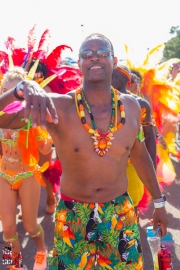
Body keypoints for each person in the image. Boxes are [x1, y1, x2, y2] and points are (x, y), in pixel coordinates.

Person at [0, 34, 168, 269]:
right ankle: (19, 260)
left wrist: (159, 203)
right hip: (72, 213)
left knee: (31, 228)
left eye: (102, 53)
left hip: (119, 212)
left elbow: (139, 154)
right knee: (11, 230)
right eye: (87, 55)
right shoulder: (57, 106)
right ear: (79, 64)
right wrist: (18, 90)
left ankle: (37, 247)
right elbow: (3, 119)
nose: (94, 58)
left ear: (114, 60)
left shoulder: (131, 107)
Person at [0, 67, 52, 269]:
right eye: (5, 90)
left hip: (28, 174)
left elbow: (47, 147)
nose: (10, 97)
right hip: (4, 175)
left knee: (30, 226)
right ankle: (14, 264)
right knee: (8, 230)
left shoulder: (31, 117)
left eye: (16, 92)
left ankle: (41, 249)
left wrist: (45, 132)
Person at [112, 64, 156, 212]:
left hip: (132, 165)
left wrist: (152, 170)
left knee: (131, 207)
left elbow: (149, 136)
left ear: (128, 82)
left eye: (114, 76)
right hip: (106, 167)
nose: (109, 80)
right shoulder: (96, 103)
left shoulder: (141, 104)